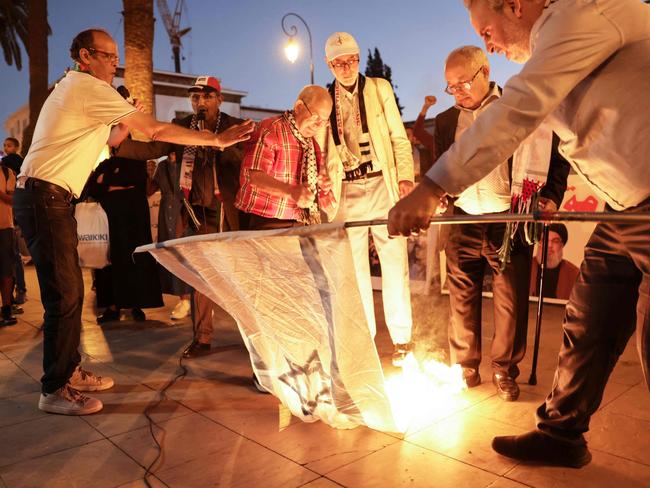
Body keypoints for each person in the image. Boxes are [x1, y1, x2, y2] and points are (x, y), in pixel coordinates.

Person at [388, 0, 650, 468]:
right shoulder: (555, 39)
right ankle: (561, 434)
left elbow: (519, 111)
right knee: (588, 317)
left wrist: (432, 186)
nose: (486, 42)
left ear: (515, 5)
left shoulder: (578, 14)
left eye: (486, 29)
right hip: (627, 206)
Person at [13, 28, 253, 415]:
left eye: (115, 58)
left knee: (70, 292)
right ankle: (55, 388)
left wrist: (122, 126)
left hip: (49, 197)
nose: (114, 64)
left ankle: (69, 371)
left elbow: (111, 140)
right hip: (44, 197)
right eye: (108, 57)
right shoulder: (86, 86)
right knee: (66, 296)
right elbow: (155, 131)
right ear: (85, 56)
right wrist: (218, 140)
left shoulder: (80, 91)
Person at [435, 45, 569, 401]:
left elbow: (558, 158)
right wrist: (441, 195)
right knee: (462, 297)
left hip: (509, 219)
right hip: (463, 219)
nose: (458, 91)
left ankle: (504, 369)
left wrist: (552, 196)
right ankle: (466, 365)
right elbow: (441, 169)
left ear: (485, 72)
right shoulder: (447, 121)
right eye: (451, 86)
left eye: (463, 82)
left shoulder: (517, 108)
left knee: (510, 299)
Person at [113, 74, 249, 358]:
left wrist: (221, 146)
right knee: (201, 276)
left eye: (207, 96)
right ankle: (202, 339)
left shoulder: (235, 127)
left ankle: (254, 339)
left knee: (240, 277)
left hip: (229, 211)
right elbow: (151, 148)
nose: (201, 101)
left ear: (219, 99)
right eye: (196, 97)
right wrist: (117, 143)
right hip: (198, 212)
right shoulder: (182, 128)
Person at [317, 32, 415, 366]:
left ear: (359, 59)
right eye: (339, 63)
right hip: (345, 188)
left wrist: (405, 178)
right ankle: (366, 341)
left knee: (395, 260)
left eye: (352, 60)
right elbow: (318, 148)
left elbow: (399, 139)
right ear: (330, 64)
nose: (347, 68)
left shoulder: (378, 88)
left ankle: (402, 341)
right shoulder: (323, 97)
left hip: (380, 182)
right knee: (355, 268)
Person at [236, 85, 333, 231]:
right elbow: (254, 177)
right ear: (299, 106)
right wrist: (292, 191)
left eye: (324, 121)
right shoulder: (271, 129)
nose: (318, 125)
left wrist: (322, 188)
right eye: (315, 117)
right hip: (265, 220)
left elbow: (307, 188)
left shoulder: (313, 145)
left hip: (301, 221)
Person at [88, 156, 164, 323]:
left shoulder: (136, 162)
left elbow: (137, 181)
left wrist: (106, 181)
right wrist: (119, 185)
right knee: (110, 262)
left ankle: (136, 304)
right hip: (110, 220)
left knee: (134, 260)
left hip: (133, 220)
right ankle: (112, 307)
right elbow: (91, 187)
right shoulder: (106, 163)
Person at [146, 153, 192, 320]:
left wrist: (186, 217)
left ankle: (194, 300)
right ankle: (184, 300)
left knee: (187, 255)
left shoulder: (187, 162)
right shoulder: (163, 165)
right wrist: (150, 175)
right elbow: (150, 191)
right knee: (173, 256)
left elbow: (190, 191)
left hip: (183, 211)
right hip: (166, 213)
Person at [1, 137, 27, 305]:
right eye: (4, 145)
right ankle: (14, 294)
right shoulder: (23, 163)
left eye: (9, 145)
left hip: (10, 216)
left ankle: (16, 293)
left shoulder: (7, 166)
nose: (6, 148)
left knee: (12, 256)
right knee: (13, 256)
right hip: (16, 212)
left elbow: (11, 195)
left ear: (16, 147)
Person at [530, 223, 579, 300]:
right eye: (545, 240)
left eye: (555, 241)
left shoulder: (574, 274)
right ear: (539, 243)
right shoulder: (526, 267)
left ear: (562, 245)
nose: (549, 245)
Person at [0, 163, 17, 326]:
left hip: (4, 227)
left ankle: (6, 308)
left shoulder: (7, 173)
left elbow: (13, 199)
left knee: (6, 270)